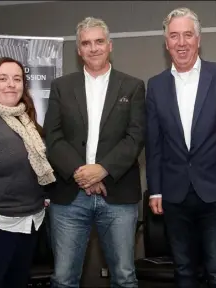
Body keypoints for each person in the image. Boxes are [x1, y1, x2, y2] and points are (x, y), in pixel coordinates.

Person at [145, 7, 216, 288]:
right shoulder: (155, 86)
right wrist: (155, 189)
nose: (181, 43)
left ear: (198, 39)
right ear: (166, 43)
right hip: (174, 195)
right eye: (174, 36)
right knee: (184, 273)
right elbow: (154, 144)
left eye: (188, 35)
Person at [43, 17, 145, 288]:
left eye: (99, 41)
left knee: (124, 277)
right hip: (69, 195)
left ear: (110, 45)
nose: (93, 48)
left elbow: (135, 137)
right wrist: (83, 174)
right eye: (86, 43)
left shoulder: (133, 86)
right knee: (63, 279)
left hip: (119, 194)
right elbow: (53, 138)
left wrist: (102, 170)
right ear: (79, 50)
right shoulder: (61, 87)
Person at [0, 57, 56, 288]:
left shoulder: (25, 119)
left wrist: (42, 196)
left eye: (17, 79)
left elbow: (33, 165)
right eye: (2, 79)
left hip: (29, 223)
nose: (11, 84)